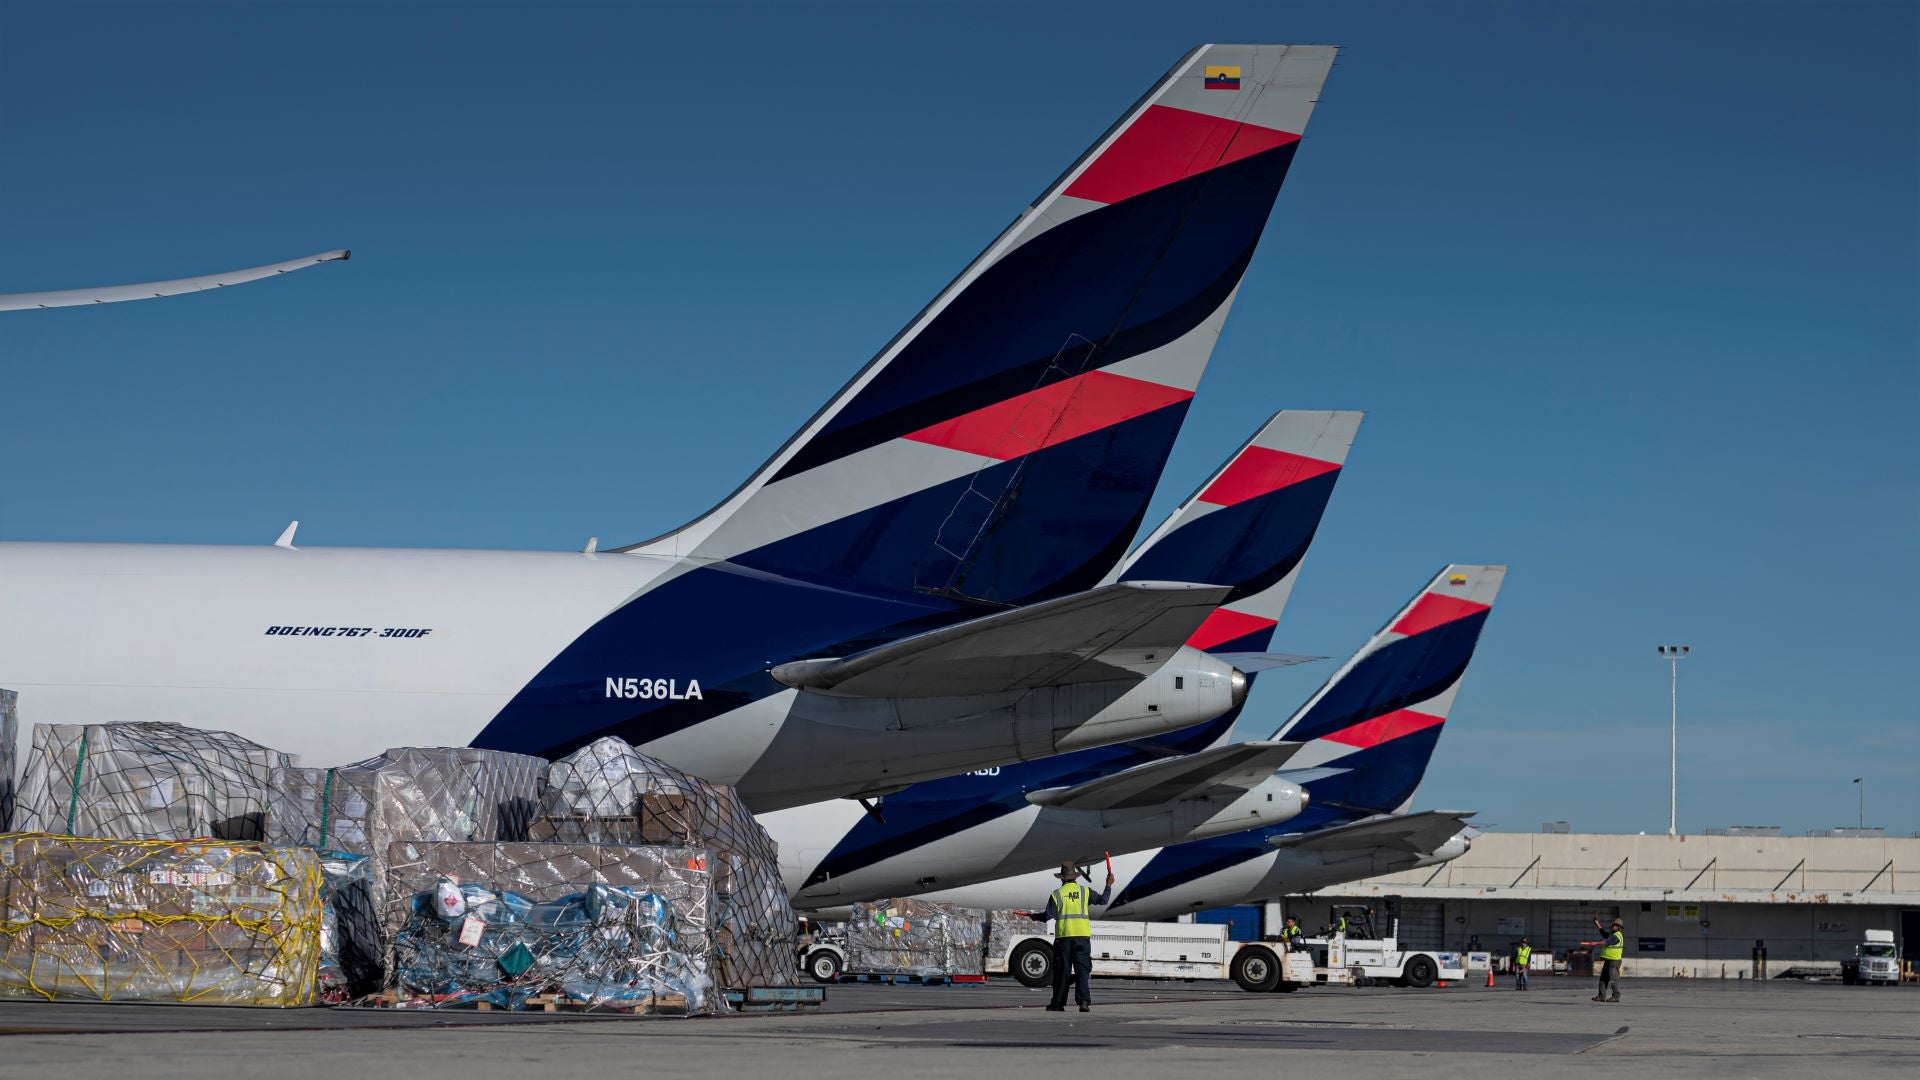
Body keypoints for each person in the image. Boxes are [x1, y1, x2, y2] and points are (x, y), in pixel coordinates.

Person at [1022, 861, 1112, 1012]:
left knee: (1062, 972)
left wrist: (1033, 916)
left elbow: (1047, 916)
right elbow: (1103, 900)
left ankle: (1058, 1004)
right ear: (1075, 877)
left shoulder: (1057, 894)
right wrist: (1108, 884)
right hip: (1082, 938)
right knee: (1082, 971)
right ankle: (1083, 1002)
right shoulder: (1085, 892)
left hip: (1064, 939)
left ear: (1062, 878)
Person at [1585, 918, 1624, 1002]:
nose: (1612, 926)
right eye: (1612, 925)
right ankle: (1601, 996)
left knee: (1614, 979)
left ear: (1618, 927)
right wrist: (1597, 923)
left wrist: (1595, 943)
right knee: (1603, 978)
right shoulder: (1612, 934)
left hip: (1614, 961)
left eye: (1614, 925)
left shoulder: (1617, 936)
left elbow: (1607, 942)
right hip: (1608, 960)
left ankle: (1616, 997)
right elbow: (1604, 933)